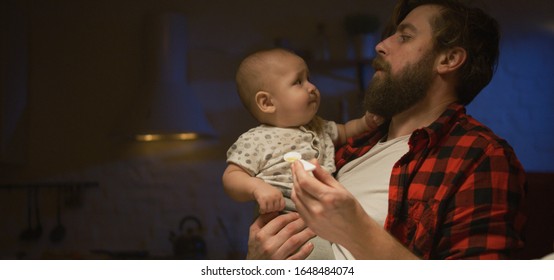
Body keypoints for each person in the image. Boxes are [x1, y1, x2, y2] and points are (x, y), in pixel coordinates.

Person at [246, 0, 527, 260]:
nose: (380, 45)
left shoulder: (480, 156)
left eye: (404, 37)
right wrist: (258, 262)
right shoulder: (350, 147)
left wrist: (358, 231)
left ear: (448, 59)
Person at [222, 48, 382, 259]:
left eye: (309, 78)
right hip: (285, 210)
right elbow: (232, 177)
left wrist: (364, 123)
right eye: (298, 82)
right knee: (316, 256)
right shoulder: (256, 140)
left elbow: (344, 132)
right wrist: (257, 188)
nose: (312, 87)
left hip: (322, 209)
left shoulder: (319, 126)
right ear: (267, 103)